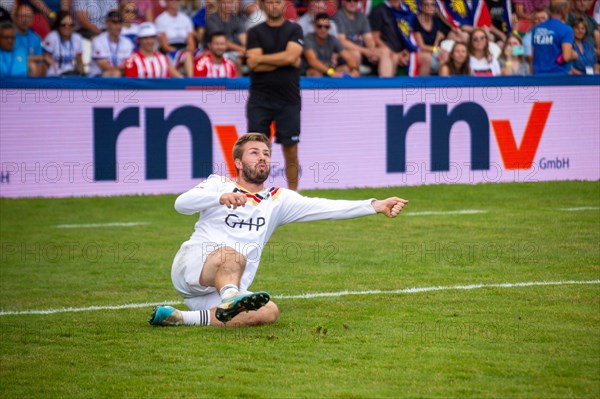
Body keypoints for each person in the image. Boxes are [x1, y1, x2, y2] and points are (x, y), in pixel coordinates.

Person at [148, 133, 409, 328]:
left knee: (269, 311)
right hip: (192, 267)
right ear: (238, 163)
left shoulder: (277, 200)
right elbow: (180, 204)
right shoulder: (219, 184)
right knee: (232, 255)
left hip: (219, 289)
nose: (262, 156)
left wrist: (374, 205)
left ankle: (181, 317)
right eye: (254, 152)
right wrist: (219, 198)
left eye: (266, 153)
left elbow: (324, 207)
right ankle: (231, 297)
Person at [245, 0, 303, 191]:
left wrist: (262, 59)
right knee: (255, 149)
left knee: (290, 149)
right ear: (263, 5)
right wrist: (286, 59)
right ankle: (255, 193)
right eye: (269, 2)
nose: (274, 5)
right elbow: (253, 65)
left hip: (288, 99)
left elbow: (291, 57)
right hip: (260, 99)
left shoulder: (295, 30)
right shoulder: (255, 32)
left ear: (283, 5)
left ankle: (293, 195)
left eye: (277, 2)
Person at [303, 12, 359, 76]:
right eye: (319, 26)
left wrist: (354, 69)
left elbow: (349, 57)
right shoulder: (308, 39)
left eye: (326, 27)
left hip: (328, 70)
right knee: (316, 73)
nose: (323, 29)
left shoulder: (332, 39)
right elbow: (312, 61)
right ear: (314, 26)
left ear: (329, 27)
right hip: (312, 70)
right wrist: (331, 72)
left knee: (346, 69)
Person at [332, 0, 379, 75]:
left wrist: (371, 51)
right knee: (355, 54)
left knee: (383, 52)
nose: (352, 3)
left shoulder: (361, 16)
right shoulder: (338, 16)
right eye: (349, 1)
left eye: (355, 1)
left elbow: (368, 38)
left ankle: (387, 84)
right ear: (343, 2)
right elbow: (342, 42)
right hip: (341, 53)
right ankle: (356, 81)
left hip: (362, 52)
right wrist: (365, 51)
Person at [532, 0, 577, 74]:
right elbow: (566, 56)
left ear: (549, 10)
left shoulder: (536, 29)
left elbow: (533, 55)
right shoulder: (566, 30)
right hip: (558, 77)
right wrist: (574, 55)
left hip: (538, 75)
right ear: (564, 10)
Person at [368, 0, 412, 77]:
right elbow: (375, 38)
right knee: (393, 57)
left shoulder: (407, 10)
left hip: (405, 52)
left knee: (424, 57)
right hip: (388, 52)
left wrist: (408, 51)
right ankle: (386, 87)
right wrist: (394, 53)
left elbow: (411, 34)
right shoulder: (378, 11)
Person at [155, 0, 196, 76]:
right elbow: (164, 46)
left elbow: (192, 44)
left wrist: (184, 51)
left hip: (184, 48)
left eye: (177, 0)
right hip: (169, 50)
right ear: (166, 2)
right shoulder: (160, 19)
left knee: (192, 54)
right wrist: (179, 52)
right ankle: (188, 79)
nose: (174, 2)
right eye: (171, 0)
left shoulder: (186, 19)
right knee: (186, 55)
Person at [88, 10, 134, 77]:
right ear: (107, 23)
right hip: (98, 77)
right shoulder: (98, 41)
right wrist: (120, 69)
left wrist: (121, 70)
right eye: (115, 22)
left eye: (120, 23)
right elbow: (104, 66)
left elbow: (128, 65)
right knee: (114, 74)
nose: (118, 26)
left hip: (120, 76)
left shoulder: (127, 42)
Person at [204, 0, 246, 71]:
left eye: (230, 2)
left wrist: (247, 50)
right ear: (218, 3)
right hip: (213, 52)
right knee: (236, 59)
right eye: (224, 2)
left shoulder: (236, 19)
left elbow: (244, 38)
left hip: (232, 52)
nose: (227, 5)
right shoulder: (211, 20)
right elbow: (221, 42)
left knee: (243, 57)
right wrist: (243, 50)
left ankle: (238, 81)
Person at [42, 10, 84, 75]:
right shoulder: (52, 37)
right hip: (53, 75)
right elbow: (45, 57)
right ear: (58, 25)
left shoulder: (77, 38)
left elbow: (79, 62)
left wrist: (82, 74)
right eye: (63, 25)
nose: (67, 27)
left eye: (71, 25)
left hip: (70, 74)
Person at [411, 0, 445, 76]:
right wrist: (437, 49)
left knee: (446, 56)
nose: (430, 7)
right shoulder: (416, 21)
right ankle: (422, 85)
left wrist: (437, 40)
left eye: (432, 5)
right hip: (420, 53)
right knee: (433, 59)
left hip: (432, 51)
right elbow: (421, 46)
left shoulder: (436, 21)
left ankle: (443, 84)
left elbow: (435, 45)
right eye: (426, 4)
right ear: (421, 7)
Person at [14, 3, 44, 76]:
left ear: (32, 19)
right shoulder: (8, 36)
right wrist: (38, 58)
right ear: (15, 17)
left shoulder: (36, 38)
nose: (25, 20)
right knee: (32, 66)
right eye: (22, 16)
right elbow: (16, 59)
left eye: (28, 17)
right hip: (11, 73)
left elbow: (40, 62)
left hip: (32, 75)